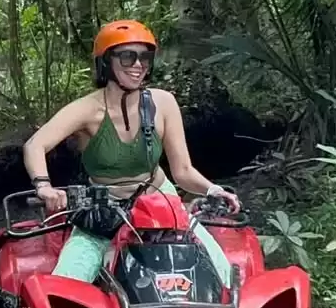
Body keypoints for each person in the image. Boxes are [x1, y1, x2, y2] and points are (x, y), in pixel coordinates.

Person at [22, 20, 238, 287]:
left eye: (145, 57)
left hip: (162, 205)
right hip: (103, 212)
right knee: (66, 284)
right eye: (128, 56)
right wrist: (44, 187)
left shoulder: (163, 102)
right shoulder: (87, 109)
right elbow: (35, 145)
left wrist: (213, 190)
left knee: (224, 274)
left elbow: (182, 171)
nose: (138, 65)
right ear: (106, 62)